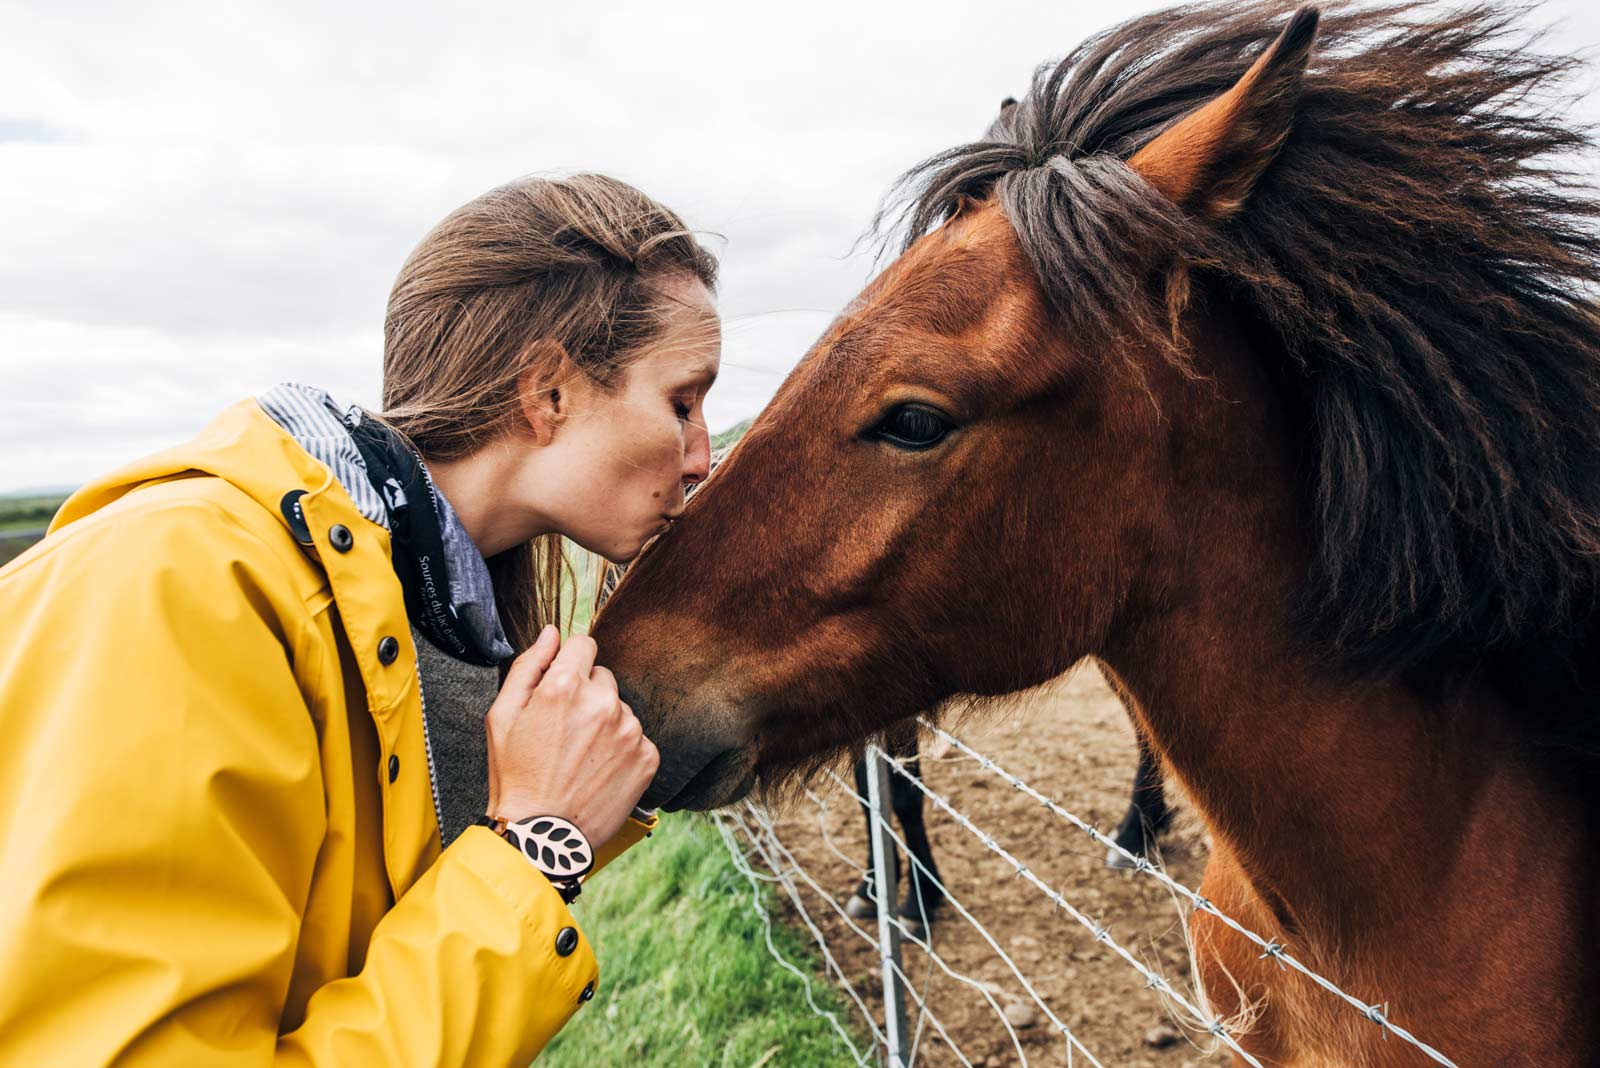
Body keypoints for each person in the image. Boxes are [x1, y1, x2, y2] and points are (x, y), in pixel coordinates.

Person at [0, 173, 721, 1065]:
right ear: (548, 393)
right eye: (683, 402)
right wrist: (533, 854)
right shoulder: (181, 581)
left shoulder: (430, 625)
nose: (701, 456)